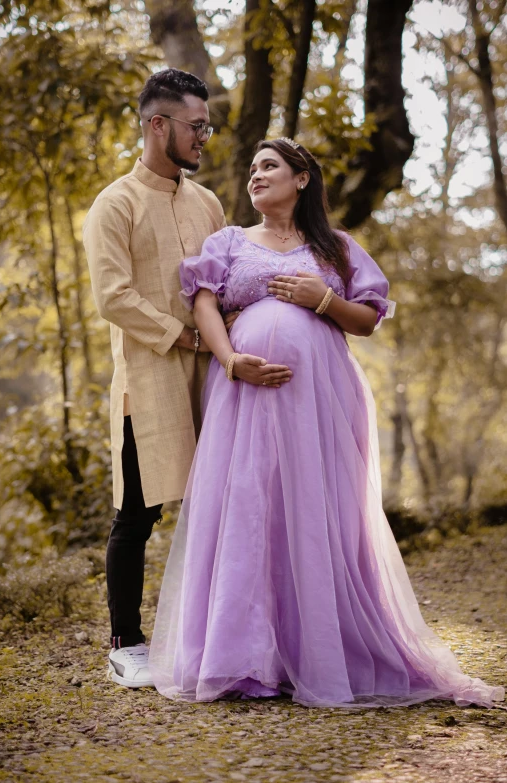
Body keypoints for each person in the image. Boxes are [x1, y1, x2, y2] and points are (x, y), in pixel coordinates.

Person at [149, 138, 504, 708]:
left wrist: (321, 300)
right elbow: (205, 305)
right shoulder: (228, 243)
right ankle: (244, 661)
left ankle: (318, 653)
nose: (256, 176)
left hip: (320, 404)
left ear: (303, 179)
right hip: (245, 400)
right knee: (248, 509)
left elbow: (366, 320)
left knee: (315, 514)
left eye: (270, 166)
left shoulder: (336, 247)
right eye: (253, 168)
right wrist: (230, 359)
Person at [82, 68, 232, 688]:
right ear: (158, 125)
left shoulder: (208, 203)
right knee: (137, 516)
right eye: (196, 126)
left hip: (215, 379)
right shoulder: (115, 203)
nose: (205, 136)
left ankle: (217, 632)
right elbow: (112, 296)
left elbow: (226, 283)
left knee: (222, 503)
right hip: (148, 382)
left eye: (206, 126)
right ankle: (127, 642)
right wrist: (182, 335)